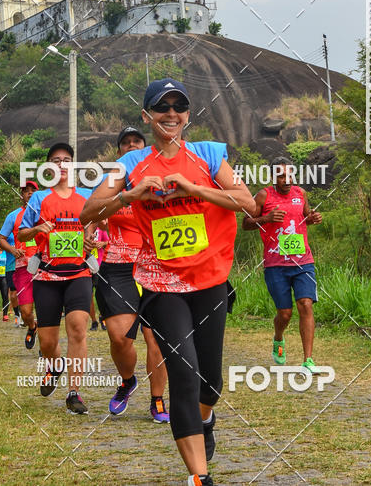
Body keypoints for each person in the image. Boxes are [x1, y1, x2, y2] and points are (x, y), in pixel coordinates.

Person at [81, 79, 256, 486]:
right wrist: (132, 195)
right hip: (161, 285)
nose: (171, 113)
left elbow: (246, 202)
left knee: (210, 384)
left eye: (179, 106)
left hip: (210, 281)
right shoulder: (129, 166)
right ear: (147, 116)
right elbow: (90, 210)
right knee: (184, 373)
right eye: (162, 107)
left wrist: (196, 188)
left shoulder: (209, 156)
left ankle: (206, 418)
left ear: (188, 115)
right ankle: (200, 478)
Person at [94, 125, 170, 422]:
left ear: (145, 147)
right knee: (119, 337)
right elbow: (92, 212)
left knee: (157, 339)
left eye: (136, 141)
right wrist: (89, 233)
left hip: (153, 265)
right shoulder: (110, 184)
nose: (131, 146)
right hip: (116, 267)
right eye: (125, 143)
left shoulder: (159, 179)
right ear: (119, 152)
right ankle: (127, 381)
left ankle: (158, 400)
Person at [18, 142, 97, 415]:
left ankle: (74, 393)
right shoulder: (39, 199)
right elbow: (22, 235)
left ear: (73, 165)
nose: (62, 164)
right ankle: (56, 365)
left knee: (77, 327)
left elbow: (98, 227)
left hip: (78, 273)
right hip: (47, 277)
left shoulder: (87, 196)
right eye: (56, 160)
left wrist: (92, 240)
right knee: (48, 343)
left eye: (66, 160)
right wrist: (38, 227)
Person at [242, 159, 323, 372]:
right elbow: (246, 223)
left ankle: (308, 360)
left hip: (303, 261)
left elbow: (306, 216)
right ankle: (278, 338)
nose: (286, 180)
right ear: (273, 177)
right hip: (276, 264)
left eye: (289, 175)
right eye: (281, 176)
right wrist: (267, 218)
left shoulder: (300, 193)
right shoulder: (263, 196)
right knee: (285, 313)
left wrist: (312, 218)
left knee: (305, 304)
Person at [0, 180, 39, 348]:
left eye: (32, 191)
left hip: (44, 267)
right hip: (22, 268)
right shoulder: (13, 216)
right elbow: (1, 239)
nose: (29, 193)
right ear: (21, 195)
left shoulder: (45, 213)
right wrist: (13, 250)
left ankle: (46, 346)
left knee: (45, 307)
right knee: (26, 311)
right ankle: (32, 326)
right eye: (26, 191)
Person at [89, 226, 109, 332]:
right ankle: (93, 321)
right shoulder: (82, 226)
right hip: (85, 266)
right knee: (89, 295)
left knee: (101, 294)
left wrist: (102, 244)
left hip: (98, 265)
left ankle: (103, 317)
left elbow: (108, 242)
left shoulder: (100, 227)